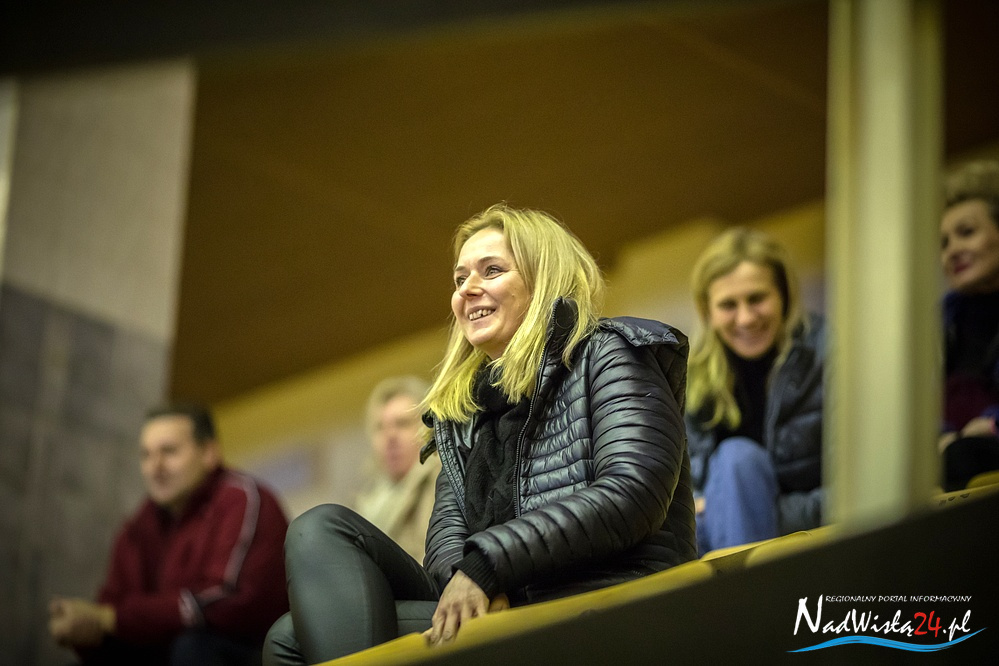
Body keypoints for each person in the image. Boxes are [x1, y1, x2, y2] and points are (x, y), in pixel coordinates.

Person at [264, 204, 696, 664]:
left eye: (491, 271)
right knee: (317, 542)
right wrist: (467, 576)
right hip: (511, 607)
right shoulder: (462, 410)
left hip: (602, 600)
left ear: (544, 279)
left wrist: (488, 566)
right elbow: (445, 539)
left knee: (293, 638)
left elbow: (633, 492)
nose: (467, 289)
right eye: (459, 278)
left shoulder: (610, 353)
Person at [49, 403, 290, 666]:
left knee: (192, 648)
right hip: (173, 647)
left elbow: (222, 601)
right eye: (146, 455)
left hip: (248, 648)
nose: (155, 467)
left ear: (209, 453)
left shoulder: (240, 498)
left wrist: (110, 619)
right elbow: (113, 607)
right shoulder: (140, 524)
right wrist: (87, 629)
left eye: (169, 451)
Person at [685, 227, 824, 554]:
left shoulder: (828, 355)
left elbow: (860, 491)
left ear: (784, 296)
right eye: (728, 305)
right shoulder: (690, 378)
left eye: (757, 299)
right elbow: (689, 499)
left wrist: (750, 505)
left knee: (738, 459)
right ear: (707, 311)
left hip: (814, 541)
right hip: (717, 542)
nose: (746, 318)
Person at [938, 159, 999, 491]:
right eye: (944, 243)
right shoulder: (940, 322)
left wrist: (992, 425)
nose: (952, 251)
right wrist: (940, 436)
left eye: (966, 233)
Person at [354, 375, 441, 563]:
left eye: (402, 423)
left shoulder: (441, 481)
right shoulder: (367, 504)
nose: (390, 436)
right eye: (380, 427)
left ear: (428, 427)